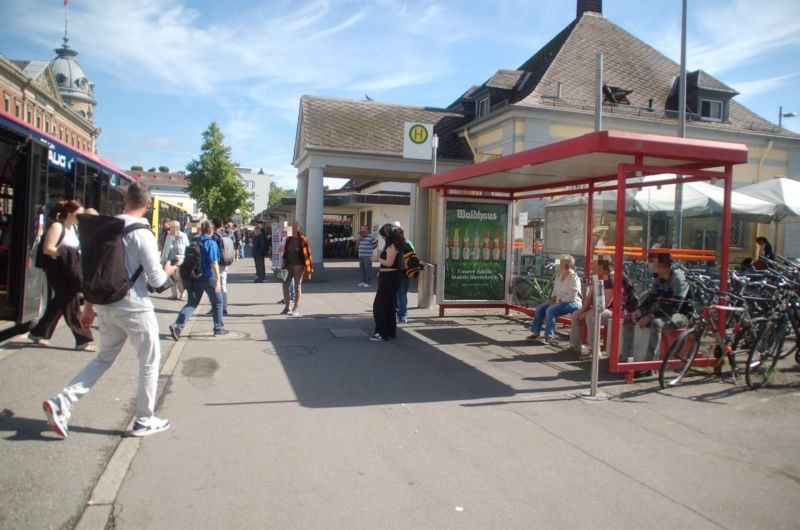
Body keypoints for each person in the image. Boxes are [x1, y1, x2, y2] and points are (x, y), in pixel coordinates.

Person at [42, 182, 177, 439]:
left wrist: (89, 307)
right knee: (149, 362)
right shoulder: (142, 233)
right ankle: (144, 419)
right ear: (147, 205)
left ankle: (63, 401)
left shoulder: (105, 228)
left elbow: (96, 269)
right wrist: (170, 271)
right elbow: (157, 281)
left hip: (105, 304)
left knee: (103, 358)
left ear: (125, 200)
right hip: (134, 307)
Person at [28, 199, 95, 352]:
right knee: (70, 302)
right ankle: (82, 340)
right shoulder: (57, 226)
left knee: (60, 302)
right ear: (70, 214)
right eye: (79, 214)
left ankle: (38, 333)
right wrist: (69, 254)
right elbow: (48, 249)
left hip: (68, 269)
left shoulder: (73, 228)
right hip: (58, 270)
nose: (81, 217)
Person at [623, 251, 690, 366]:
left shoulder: (677, 277)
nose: (649, 265)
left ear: (663, 264)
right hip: (663, 311)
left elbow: (675, 306)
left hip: (681, 313)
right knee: (629, 318)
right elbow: (652, 297)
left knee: (656, 323)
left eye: (652, 262)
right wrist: (640, 310)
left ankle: (649, 364)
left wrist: (650, 316)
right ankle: (626, 358)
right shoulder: (658, 277)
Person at [170, 220, 227, 339]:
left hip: (193, 277)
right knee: (217, 303)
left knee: (191, 303)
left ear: (201, 229)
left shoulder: (195, 241)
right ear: (211, 231)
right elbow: (214, 263)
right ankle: (218, 328)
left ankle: (177, 326)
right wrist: (217, 280)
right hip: (207, 277)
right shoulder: (210, 243)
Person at [562, 255, 617, 358]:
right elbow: (588, 298)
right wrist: (581, 312)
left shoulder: (610, 280)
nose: (592, 266)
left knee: (592, 317)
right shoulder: (596, 277)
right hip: (596, 308)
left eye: (594, 264)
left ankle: (595, 350)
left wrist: (586, 314)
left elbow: (605, 304)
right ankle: (575, 346)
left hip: (612, 311)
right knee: (575, 314)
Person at [527, 254, 582, 343]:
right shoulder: (559, 275)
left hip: (572, 302)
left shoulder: (573, 277)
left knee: (550, 310)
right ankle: (536, 333)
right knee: (540, 308)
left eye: (560, 261)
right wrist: (553, 298)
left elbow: (573, 295)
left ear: (565, 263)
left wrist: (559, 301)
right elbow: (555, 290)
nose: (557, 263)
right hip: (559, 301)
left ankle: (548, 336)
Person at [370, 223, 405, 342]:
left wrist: (377, 259)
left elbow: (389, 263)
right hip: (389, 276)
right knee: (389, 305)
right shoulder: (393, 245)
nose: (383, 238)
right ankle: (390, 331)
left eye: (384, 236)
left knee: (379, 306)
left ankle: (380, 332)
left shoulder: (392, 246)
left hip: (390, 277)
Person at [281, 222, 312, 316]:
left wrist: (307, 268)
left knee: (297, 286)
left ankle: (295, 308)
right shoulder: (288, 239)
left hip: (299, 266)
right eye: (291, 227)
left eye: (294, 227)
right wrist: (283, 263)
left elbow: (307, 254)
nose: (291, 229)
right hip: (288, 265)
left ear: (298, 229)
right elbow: (285, 253)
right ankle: (287, 307)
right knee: (285, 284)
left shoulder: (303, 239)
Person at [161, 220, 190, 300]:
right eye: (171, 227)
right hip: (171, 258)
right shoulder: (169, 236)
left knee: (179, 276)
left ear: (178, 227)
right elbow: (166, 248)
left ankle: (182, 292)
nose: (172, 229)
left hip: (181, 259)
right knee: (171, 277)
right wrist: (163, 259)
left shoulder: (183, 235)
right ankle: (174, 294)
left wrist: (185, 257)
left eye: (174, 227)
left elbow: (187, 246)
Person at [393, 223, 413, 323]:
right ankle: (403, 314)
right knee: (403, 294)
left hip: (399, 272)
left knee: (400, 295)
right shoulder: (409, 242)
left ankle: (402, 315)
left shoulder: (395, 244)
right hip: (409, 271)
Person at [210, 218, 230, 316]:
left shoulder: (214, 236)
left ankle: (217, 307)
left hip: (217, 263)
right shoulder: (225, 235)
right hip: (225, 262)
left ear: (213, 225)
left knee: (215, 286)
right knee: (223, 286)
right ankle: (224, 308)